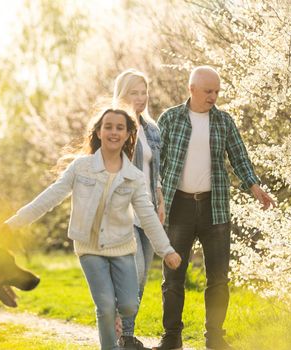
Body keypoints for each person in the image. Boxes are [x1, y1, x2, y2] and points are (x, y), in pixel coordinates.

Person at [4, 107, 182, 350]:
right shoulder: (81, 167)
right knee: (106, 306)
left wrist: (167, 250)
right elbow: (50, 197)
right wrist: (13, 223)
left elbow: (148, 216)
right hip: (89, 248)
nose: (113, 132)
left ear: (129, 134)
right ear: (98, 132)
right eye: (108, 126)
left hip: (121, 247)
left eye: (120, 128)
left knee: (129, 305)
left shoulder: (134, 176)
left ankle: (117, 318)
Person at [153, 66, 275, 350]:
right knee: (173, 278)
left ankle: (215, 339)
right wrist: (154, 198)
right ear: (192, 89)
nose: (213, 97)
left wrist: (254, 186)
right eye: (209, 91)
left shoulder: (223, 121)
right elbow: (155, 163)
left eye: (217, 92)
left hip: (214, 207)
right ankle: (171, 338)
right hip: (178, 207)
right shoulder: (170, 119)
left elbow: (239, 158)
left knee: (219, 278)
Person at [112, 69, 165, 350]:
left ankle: (125, 335)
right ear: (122, 94)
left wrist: (161, 199)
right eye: (134, 92)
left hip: (148, 210)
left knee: (142, 276)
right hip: (124, 212)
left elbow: (155, 171)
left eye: (144, 92)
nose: (141, 98)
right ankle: (122, 336)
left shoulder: (152, 129)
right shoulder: (115, 127)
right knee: (134, 272)